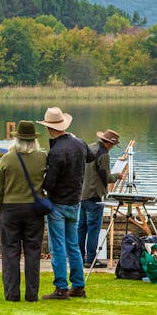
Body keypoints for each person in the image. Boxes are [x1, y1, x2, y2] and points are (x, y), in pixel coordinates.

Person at [37, 106, 94, 300]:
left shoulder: (56, 152)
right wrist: (75, 139)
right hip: (75, 202)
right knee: (73, 246)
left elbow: (50, 183)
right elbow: (91, 156)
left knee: (58, 248)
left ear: (48, 128)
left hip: (58, 204)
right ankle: (78, 286)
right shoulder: (79, 143)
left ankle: (61, 288)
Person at [0, 120, 47, 302]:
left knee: (10, 252)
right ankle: (32, 294)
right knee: (33, 252)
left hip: (10, 209)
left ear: (17, 139)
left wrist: (2, 209)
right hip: (34, 209)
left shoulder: (6, 159)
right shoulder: (42, 158)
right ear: (34, 140)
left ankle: (12, 293)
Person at [78, 128, 122, 268]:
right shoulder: (103, 154)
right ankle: (90, 259)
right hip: (95, 195)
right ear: (109, 143)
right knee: (93, 229)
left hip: (82, 194)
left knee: (81, 227)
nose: (112, 148)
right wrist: (117, 176)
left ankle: (79, 257)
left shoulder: (89, 147)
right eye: (113, 145)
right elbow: (106, 177)